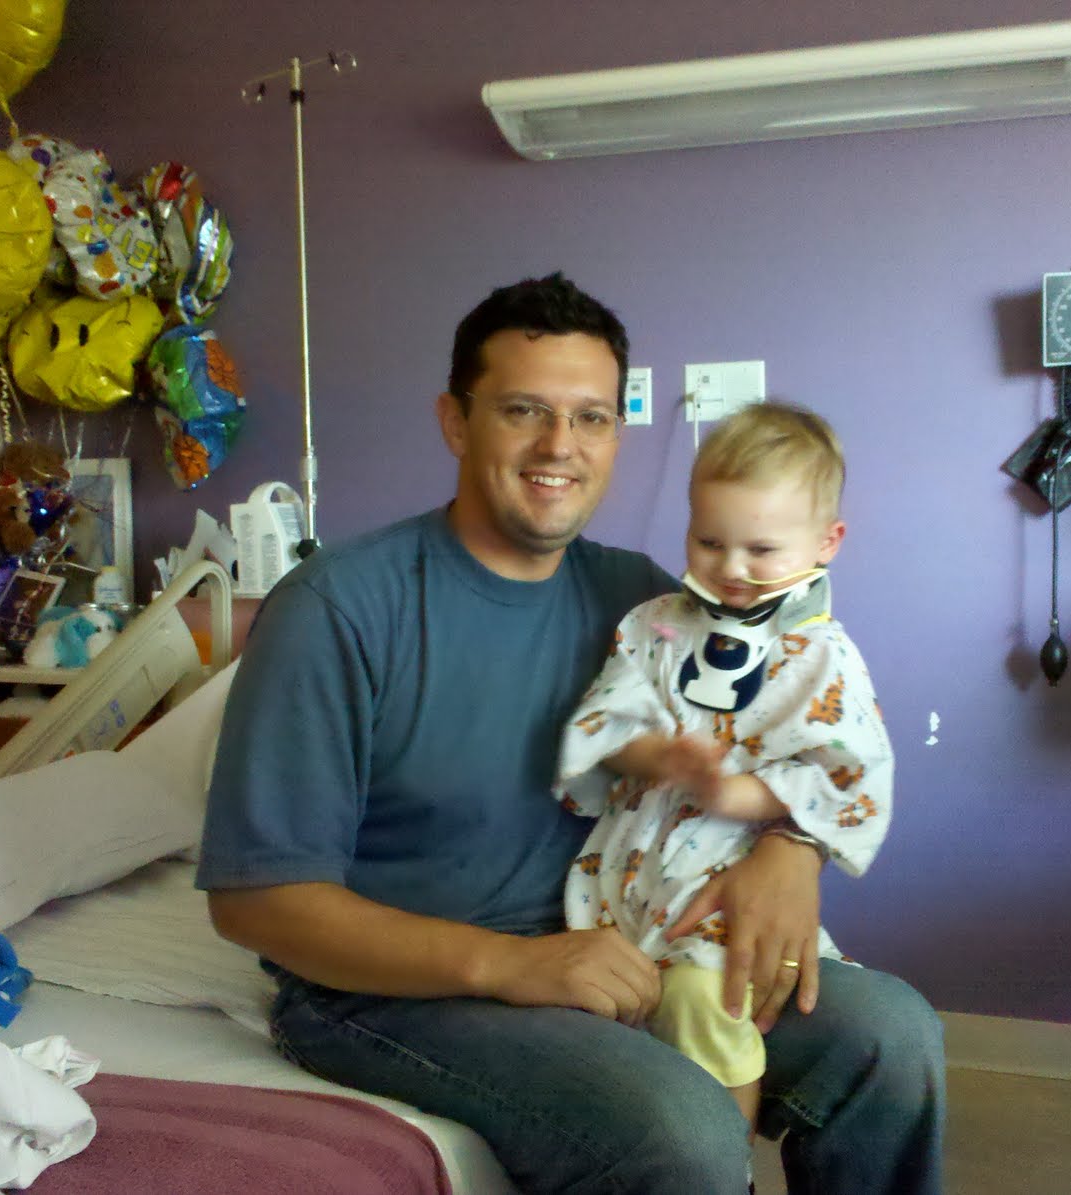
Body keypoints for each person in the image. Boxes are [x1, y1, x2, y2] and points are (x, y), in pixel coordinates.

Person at [196, 272, 946, 1195]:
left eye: (592, 417)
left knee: (890, 1037)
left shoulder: (650, 604)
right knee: (681, 1127)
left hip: (628, 935)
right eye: (524, 410)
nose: (561, 445)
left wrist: (794, 849)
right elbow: (255, 902)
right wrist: (512, 963)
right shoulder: (337, 609)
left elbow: (795, 741)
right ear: (455, 421)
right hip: (393, 991)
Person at [555, 402, 895, 1149]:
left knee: (707, 1005)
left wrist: (742, 793)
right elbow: (606, 719)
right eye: (709, 541)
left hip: (730, 881)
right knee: (610, 1018)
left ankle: (722, 1160)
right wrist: (654, 755)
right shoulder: (654, 625)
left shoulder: (823, 657)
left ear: (827, 542)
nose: (732, 568)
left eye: (761, 549)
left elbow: (850, 771)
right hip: (629, 871)